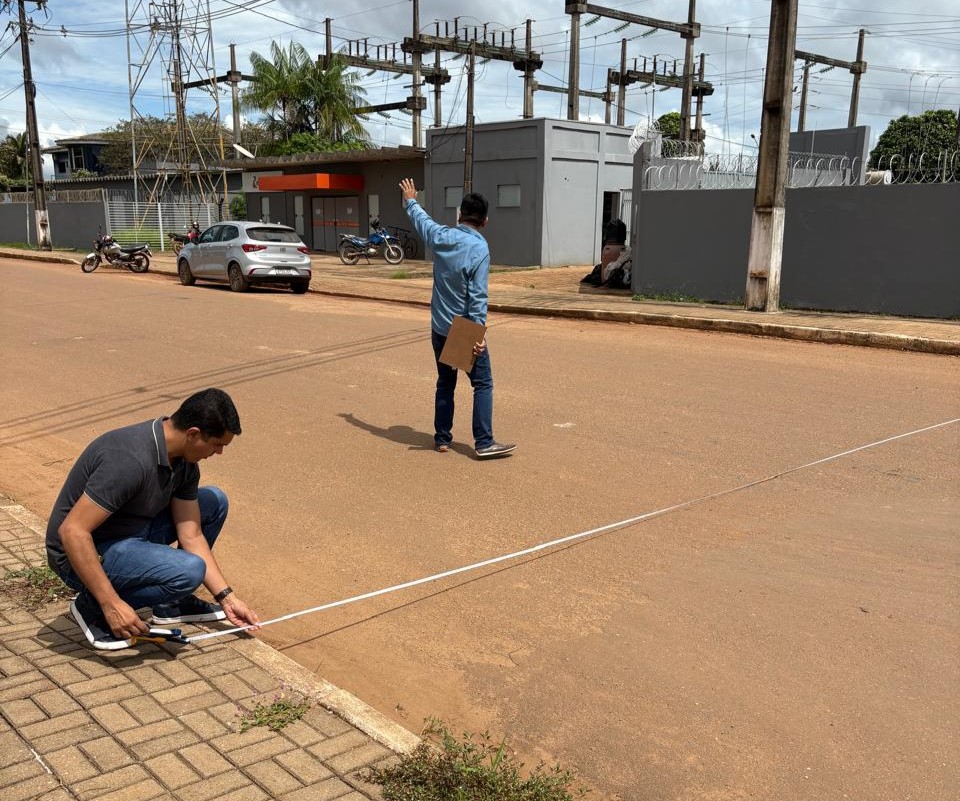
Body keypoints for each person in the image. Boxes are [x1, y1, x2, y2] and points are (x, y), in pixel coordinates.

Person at [45, 388, 260, 650]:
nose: (218, 453)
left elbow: (190, 534)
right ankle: (92, 607)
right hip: (78, 553)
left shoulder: (185, 461)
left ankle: (172, 604)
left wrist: (227, 597)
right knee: (188, 570)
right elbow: (73, 531)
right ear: (193, 433)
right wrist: (110, 603)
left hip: (130, 533)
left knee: (214, 502)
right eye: (217, 445)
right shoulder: (129, 460)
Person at [399, 178, 515, 459]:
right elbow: (477, 297)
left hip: (439, 326)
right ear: (485, 221)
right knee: (483, 383)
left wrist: (411, 200)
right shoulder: (480, 249)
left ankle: (442, 438)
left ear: (459, 215)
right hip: (463, 329)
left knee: (445, 382)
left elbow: (423, 221)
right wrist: (478, 335)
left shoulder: (442, 237)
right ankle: (484, 442)